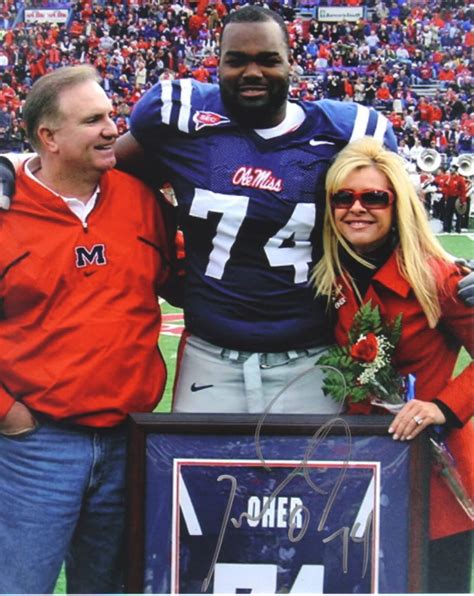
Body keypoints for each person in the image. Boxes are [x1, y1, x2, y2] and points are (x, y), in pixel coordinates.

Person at [114, 5, 398, 414]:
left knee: (312, 479)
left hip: (312, 358)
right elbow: (104, 174)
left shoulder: (345, 133)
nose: (252, 73)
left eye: (268, 60)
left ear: (290, 64)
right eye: (237, 60)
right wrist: (15, 166)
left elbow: (401, 216)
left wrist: (448, 270)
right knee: (202, 476)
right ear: (218, 63)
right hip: (210, 354)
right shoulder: (180, 117)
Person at [0, 65, 174, 593]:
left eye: (111, 116)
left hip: (128, 439)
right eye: (93, 120)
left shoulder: (138, 199)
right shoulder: (6, 212)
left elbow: (187, 277)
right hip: (38, 444)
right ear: (49, 138)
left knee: (107, 587)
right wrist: (7, 414)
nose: (111, 131)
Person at [312, 137, 473, 593]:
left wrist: (443, 405)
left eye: (374, 197)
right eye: (343, 197)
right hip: (356, 468)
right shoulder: (332, 272)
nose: (356, 208)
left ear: (398, 204)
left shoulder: (438, 277)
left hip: (437, 477)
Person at [442, 164, 468, 233]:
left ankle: (458, 229)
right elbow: (444, 187)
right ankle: (447, 228)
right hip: (449, 198)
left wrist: (462, 200)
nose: (451, 170)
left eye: (453, 169)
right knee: (448, 213)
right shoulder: (448, 178)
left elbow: (463, 190)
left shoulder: (460, 179)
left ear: (455, 170)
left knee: (458, 214)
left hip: (457, 198)